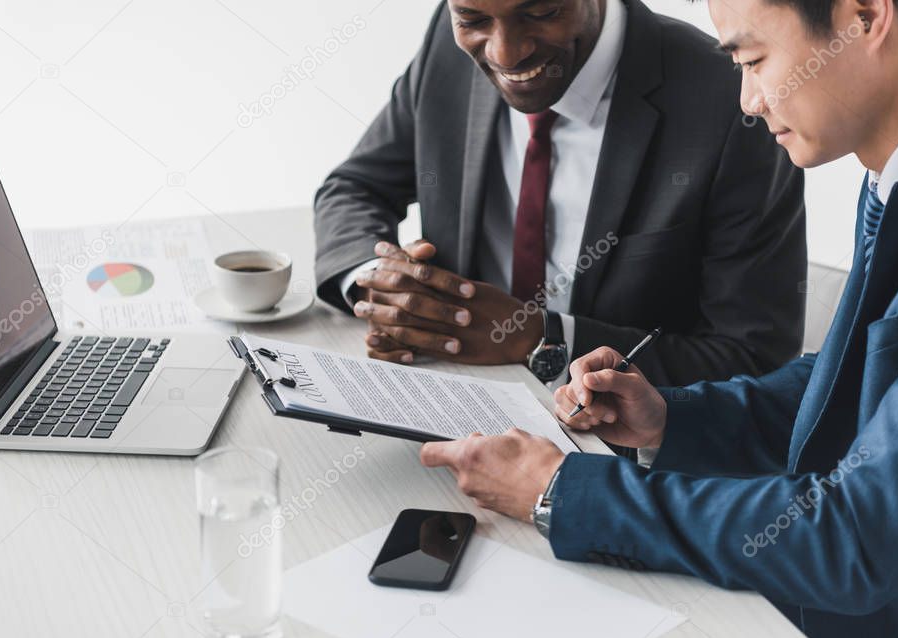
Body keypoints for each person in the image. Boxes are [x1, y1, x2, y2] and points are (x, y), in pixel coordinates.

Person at [418, 0, 898, 638]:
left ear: (865, 16)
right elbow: (872, 381)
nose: (748, 101)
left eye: (753, 61)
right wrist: (673, 419)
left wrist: (561, 490)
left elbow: (856, 541)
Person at [314, 0, 807, 388]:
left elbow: (753, 361)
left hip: (626, 455)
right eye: (472, 18)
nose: (505, 54)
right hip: (450, 396)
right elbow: (355, 187)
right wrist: (387, 289)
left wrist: (542, 339)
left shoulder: (732, 99)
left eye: (542, 12)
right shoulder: (449, 45)